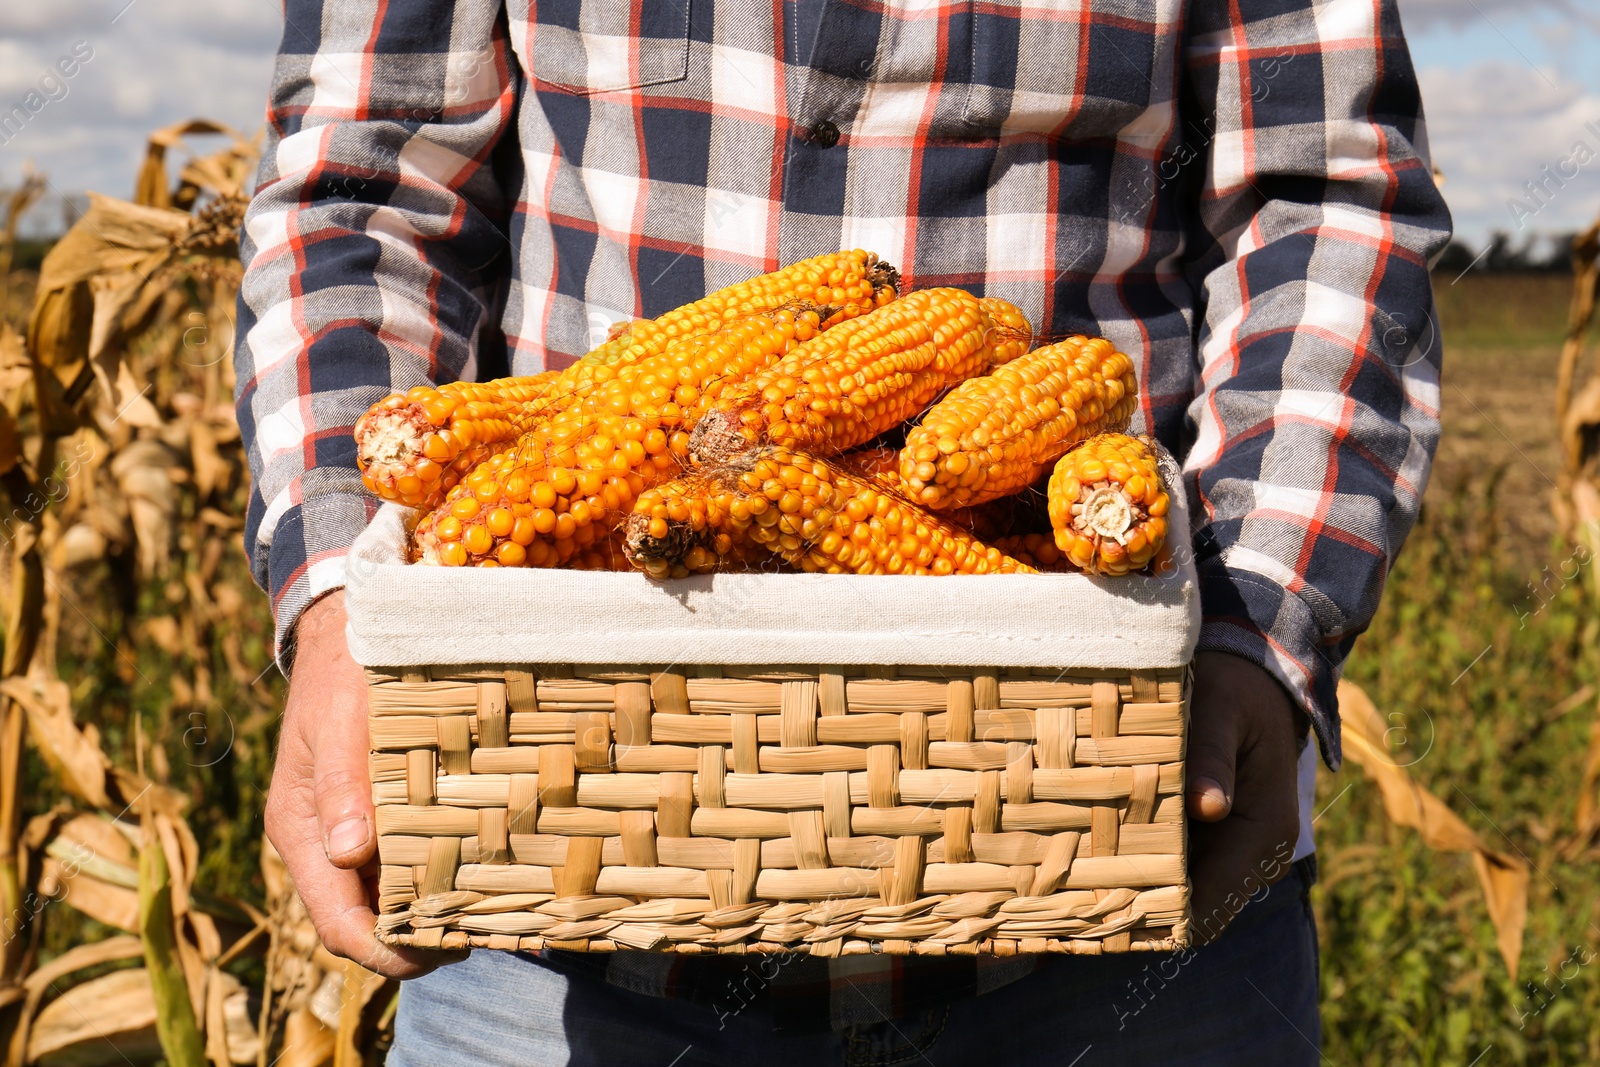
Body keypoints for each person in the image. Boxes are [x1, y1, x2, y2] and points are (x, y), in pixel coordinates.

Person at [236, 0, 1450, 1062]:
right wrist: (351, 597)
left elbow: (1326, 202)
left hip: (1118, 872)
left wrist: (1259, 626)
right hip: (560, 873)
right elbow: (363, 185)